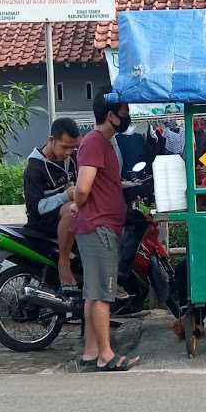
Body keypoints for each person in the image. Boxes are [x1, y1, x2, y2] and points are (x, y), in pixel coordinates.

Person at [71, 90, 139, 372]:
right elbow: (84, 187)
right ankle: (106, 356)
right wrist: (78, 204)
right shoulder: (95, 143)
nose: (126, 118)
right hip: (98, 227)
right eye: (123, 113)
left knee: (92, 293)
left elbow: (97, 184)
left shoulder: (104, 144)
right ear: (110, 115)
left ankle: (90, 353)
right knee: (102, 295)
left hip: (100, 225)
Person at [24, 117, 80, 292]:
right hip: (42, 222)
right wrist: (64, 196)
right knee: (70, 209)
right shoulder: (34, 167)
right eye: (65, 147)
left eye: (73, 147)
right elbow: (35, 208)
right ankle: (63, 263)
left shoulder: (71, 160)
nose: (69, 152)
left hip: (68, 219)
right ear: (51, 140)